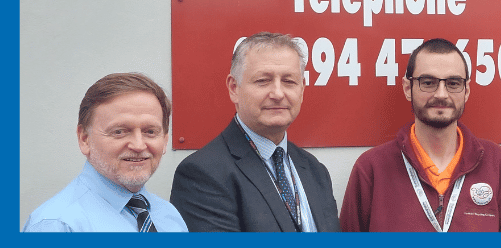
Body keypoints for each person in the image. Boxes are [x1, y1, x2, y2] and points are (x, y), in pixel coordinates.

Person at [339, 38, 501, 231]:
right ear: (408, 88)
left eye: (453, 83)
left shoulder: (496, 164)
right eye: (428, 82)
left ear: (466, 91)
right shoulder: (371, 168)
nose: (441, 94)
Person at [170, 32, 340, 231]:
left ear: (302, 89)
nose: (277, 93)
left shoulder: (315, 171)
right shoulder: (202, 175)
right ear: (234, 88)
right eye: (263, 81)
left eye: (289, 81)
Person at [23, 73, 187, 232]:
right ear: (84, 139)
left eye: (150, 132)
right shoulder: (58, 226)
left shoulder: (169, 216)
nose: (138, 145)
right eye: (119, 132)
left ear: (165, 140)